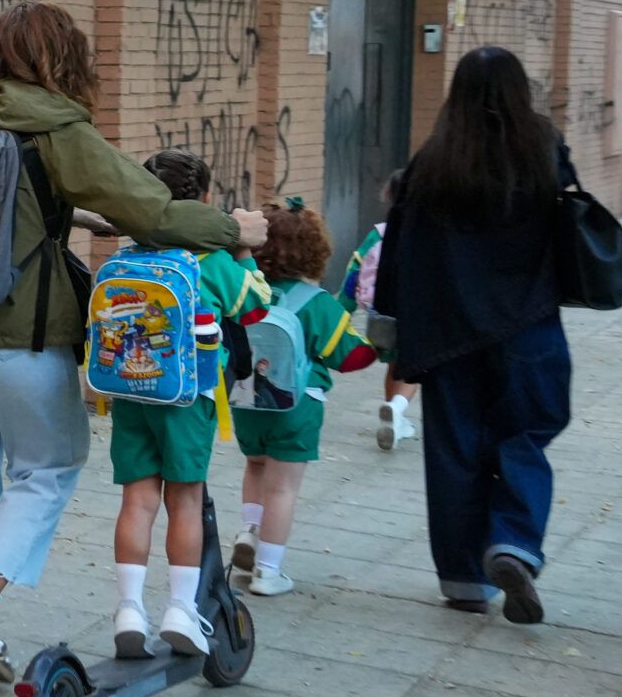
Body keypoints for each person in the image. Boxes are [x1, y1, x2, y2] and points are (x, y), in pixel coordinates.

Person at [0, 3, 266, 682]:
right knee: (48, 466)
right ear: (62, 58)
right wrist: (234, 230)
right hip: (14, 333)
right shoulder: (55, 125)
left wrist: (70, 212)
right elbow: (152, 208)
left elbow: (2, 204)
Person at [375, 47, 572, 623]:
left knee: (453, 449)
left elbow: (400, 247)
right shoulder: (542, 149)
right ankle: (513, 542)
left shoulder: (433, 161)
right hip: (528, 327)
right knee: (526, 434)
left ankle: (463, 579)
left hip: (449, 334)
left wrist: (389, 320)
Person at [108, 151, 271, 657]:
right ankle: (180, 609)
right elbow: (257, 305)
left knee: (137, 500)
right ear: (204, 200)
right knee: (185, 500)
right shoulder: (212, 261)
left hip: (131, 393)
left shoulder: (130, 257)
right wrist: (244, 252)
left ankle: (129, 609)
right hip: (187, 398)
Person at [232, 199, 379, 595]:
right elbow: (350, 357)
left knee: (255, 468)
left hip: (245, 401)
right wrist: (382, 345)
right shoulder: (317, 304)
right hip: (296, 407)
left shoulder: (244, 290)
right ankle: (268, 572)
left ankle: (249, 530)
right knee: (282, 488)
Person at [341, 179, 419, 450]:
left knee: (393, 365)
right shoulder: (429, 233)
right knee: (412, 369)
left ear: (388, 196)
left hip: (381, 315)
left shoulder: (379, 234)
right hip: (416, 315)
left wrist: (342, 311)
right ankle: (397, 409)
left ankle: (394, 420)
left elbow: (355, 272)